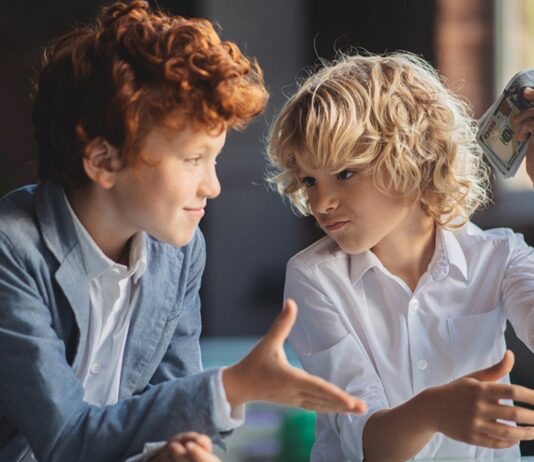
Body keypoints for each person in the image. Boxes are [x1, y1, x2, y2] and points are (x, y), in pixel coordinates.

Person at [0, 2, 367, 462]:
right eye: (194, 159)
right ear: (103, 160)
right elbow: (66, 438)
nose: (212, 186)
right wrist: (233, 386)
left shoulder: (179, 251)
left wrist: (180, 452)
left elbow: (177, 408)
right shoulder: (12, 250)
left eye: (213, 160)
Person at [266, 52, 534, 461]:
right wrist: (433, 412)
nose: (320, 202)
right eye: (309, 180)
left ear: (412, 159)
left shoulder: (499, 257)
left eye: (344, 173)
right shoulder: (314, 278)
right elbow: (367, 444)